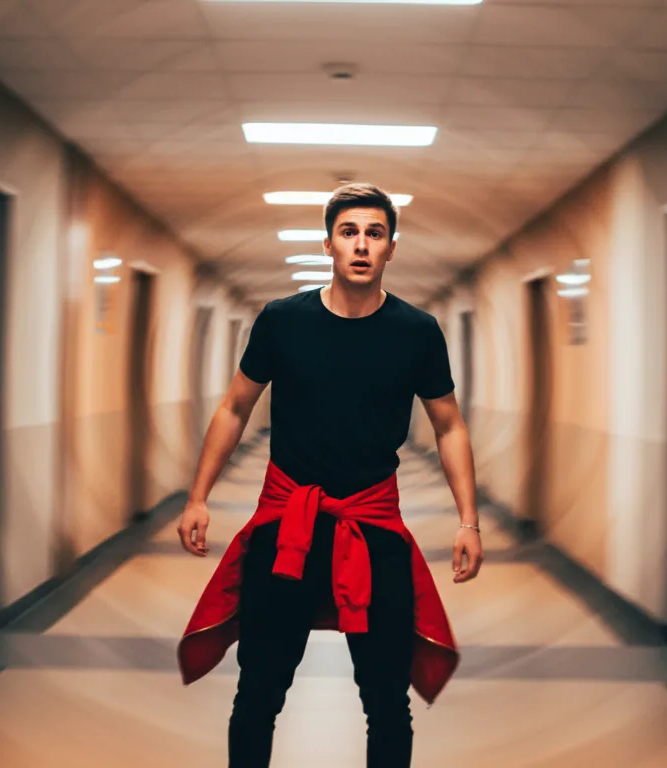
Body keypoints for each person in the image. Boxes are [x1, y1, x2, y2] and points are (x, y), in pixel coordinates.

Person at [175, 183, 483, 767]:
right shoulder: (282, 321)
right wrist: (198, 497)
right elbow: (235, 407)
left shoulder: (416, 331)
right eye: (349, 232)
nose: (361, 245)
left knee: (387, 701)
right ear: (328, 244)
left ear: (391, 247)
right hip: (286, 526)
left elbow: (449, 426)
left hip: (374, 527)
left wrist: (469, 521)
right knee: (258, 693)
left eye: (374, 233)